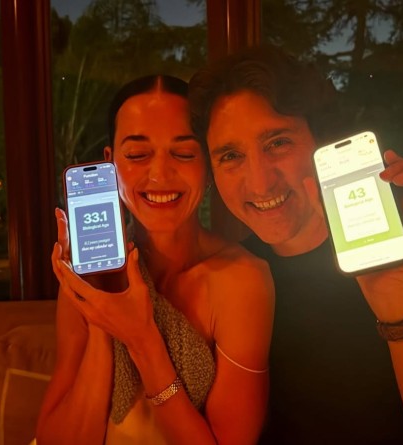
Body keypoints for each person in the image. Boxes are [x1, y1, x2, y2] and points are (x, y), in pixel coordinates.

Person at [189, 45, 403, 444]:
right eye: (230, 155)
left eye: (278, 143)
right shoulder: (235, 277)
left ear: (321, 141)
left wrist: (398, 300)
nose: (260, 183)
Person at [36, 75, 274, 445]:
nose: (160, 174)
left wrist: (142, 340)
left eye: (184, 153)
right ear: (110, 163)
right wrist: (102, 315)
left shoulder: (241, 279)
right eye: (137, 155)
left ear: (207, 166)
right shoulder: (88, 271)